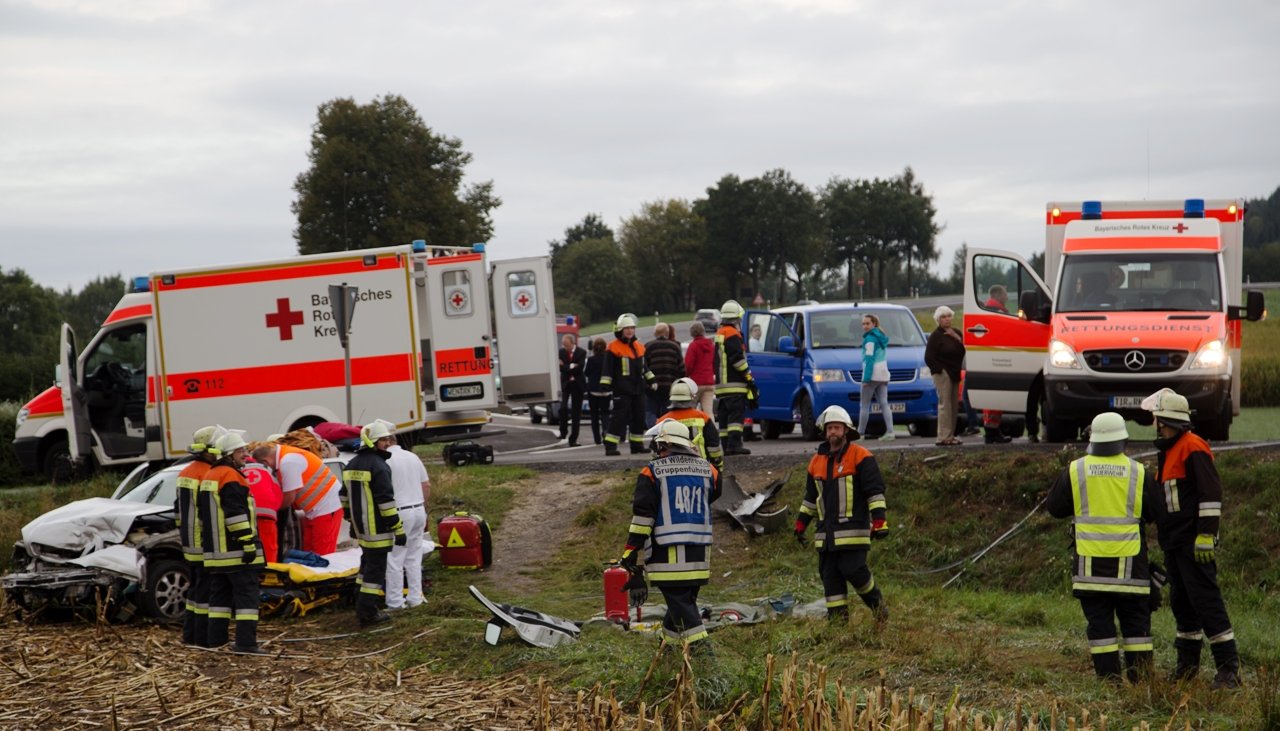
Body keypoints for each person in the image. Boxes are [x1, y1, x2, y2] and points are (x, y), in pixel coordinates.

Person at [1046, 412, 1158, 682]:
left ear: (1092, 440)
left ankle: (1109, 683)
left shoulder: (1076, 470)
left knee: (1101, 629)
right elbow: (1155, 512)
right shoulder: (1138, 472)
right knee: (1136, 628)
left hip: (1090, 571)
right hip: (1131, 571)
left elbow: (1055, 508)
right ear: (1124, 441)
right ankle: (1141, 683)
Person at [1144, 389, 1240, 688]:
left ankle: (1228, 669)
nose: (1155, 425)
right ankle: (1187, 667)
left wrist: (1206, 535)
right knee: (1182, 603)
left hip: (1191, 543)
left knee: (1205, 601)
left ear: (1168, 420)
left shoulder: (1192, 447)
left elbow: (1210, 494)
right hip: (1174, 543)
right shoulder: (1169, 450)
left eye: (1158, 420)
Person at [618, 420, 722, 652]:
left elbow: (643, 519)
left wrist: (630, 553)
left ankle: (706, 658)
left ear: (664, 444)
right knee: (681, 606)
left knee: (682, 608)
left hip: (667, 558)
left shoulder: (652, 472)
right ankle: (668, 656)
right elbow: (712, 496)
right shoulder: (710, 470)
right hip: (699, 556)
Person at [794, 405, 890, 622]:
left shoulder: (861, 456)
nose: (832, 433)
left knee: (854, 570)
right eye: (829, 428)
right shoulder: (816, 461)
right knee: (830, 578)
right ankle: (838, 623)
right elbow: (811, 498)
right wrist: (801, 524)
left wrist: (880, 521)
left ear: (846, 430)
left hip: (852, 532)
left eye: (836, 428)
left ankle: (877, 605)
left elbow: (874, 492)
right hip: (825, 537)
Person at [198, 430, 266, 653]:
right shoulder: (231, 477)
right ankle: (246, 643)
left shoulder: (209, 476)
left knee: (219, 599)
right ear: (229, 454)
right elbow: (236, 515)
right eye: (241, 451)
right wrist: (248, 543)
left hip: (216, 554)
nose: (245, 455)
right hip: (236, 552)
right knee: (247, 597)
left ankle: (216, 641)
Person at [342, 420, 406, 626]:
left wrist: (351, 519)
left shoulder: (352, 464)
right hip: (378, 529)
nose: (388, 443)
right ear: (373, 442)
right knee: (375, 571)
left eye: (388, 439)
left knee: (366, 565)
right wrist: (398, 529)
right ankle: (368, 614)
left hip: (361, 530)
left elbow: (343, 496)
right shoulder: (379, 466)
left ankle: (360, 603)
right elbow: (386, 502)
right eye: (384, 440)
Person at [249, 439, 344, 555]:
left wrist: (271, 512)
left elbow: (289, 498)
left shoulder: (288, 462)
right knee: (309, 552)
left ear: (265, 461)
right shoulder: (287, 455)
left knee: (323, 554)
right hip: (316, 510)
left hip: (325, 510)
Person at [175, 424, 223, 647]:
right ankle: (204, 639)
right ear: (209, 450)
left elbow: (179, 508)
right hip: (204, 540)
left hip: (188, 540)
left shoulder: (186, 471)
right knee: (205, 592)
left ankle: (190, 635)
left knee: (195, 591)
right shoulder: (206, 474)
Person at [384, 426, 431, 611]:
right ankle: (415, 597)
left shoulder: (386, 460)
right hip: (418, 509)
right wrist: (422, 505)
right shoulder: (412, 457)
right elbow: (426, 485)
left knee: (395, 558)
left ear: (386, 441)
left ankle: (395, 602)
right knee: (413, 555)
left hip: (399, 511)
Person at [601, 313, 656, 456]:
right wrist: (605, 385)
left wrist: (652, 380)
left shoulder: (639, 346)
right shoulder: (613, 347)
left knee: (638, 417)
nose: (630, 331)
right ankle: (610, 446)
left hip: (638, 388)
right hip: (621, 389)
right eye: (627, 328)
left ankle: (637, 445)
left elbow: (644, 368)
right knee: (619, 418)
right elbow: (607, 368)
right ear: (620, 330)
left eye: (632, 328)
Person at [713, 300, 757, 455]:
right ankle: (735, 445)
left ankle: (726, 446)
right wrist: (749, 378)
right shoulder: (732, 334)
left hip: (721, 386)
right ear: (737, 318)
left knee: (724, 418)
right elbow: (738, 360)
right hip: (735, 384)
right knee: (736, 417)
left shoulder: (720, 333)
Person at [658, 377, 723, 471]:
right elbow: (713, 447)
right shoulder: (703, 418)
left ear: (671, 398)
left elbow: (656, 451)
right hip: (700, 469)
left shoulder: (662, 421)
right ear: (691, 397)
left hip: (671, 472)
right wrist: (718, 467)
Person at [924, 306, 965, 446]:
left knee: (954, 404)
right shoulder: (936, 336)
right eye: (943, 317)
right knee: (945, 404)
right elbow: (928, 357)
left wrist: (957, 338)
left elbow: (963, 350)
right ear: (938, 320)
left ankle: (951, 435)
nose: (947, 319)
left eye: (948, 316)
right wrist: (939, 370)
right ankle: (943, 436)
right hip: (943, 373)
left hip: (955, 371)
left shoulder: (956, 333)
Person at [242, 444, 284, 564]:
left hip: (246, 518)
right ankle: (270, 576)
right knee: (269, 549)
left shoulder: (238, 470)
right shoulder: (267, 471)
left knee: (250, 549)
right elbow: (278, 496)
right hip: (266, 517)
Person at [857, 313, 894, 441]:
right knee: (884, 403)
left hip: (872, 375)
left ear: (874, 324)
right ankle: (890, 432)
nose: (865, 326)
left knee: (865, 405)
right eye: (863, 324)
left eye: (867, 323)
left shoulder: (870, 339)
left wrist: (866, 379)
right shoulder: (881, 337)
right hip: (883, 374)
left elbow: (869, 359)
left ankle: (860, 433)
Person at [644, 322, 685, 426]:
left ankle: (653, 432)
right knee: (667, 412)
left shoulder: (648, 346)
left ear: (655, 333)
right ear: (667, 333)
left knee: (650, 411)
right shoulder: (675, 346)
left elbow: (644, 367)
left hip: (653, 386)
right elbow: (681, 368)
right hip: (670, 385)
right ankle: (665, 431)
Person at [557, 334, 587, 446]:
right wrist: (571, 366)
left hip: (577, 384)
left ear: (573, 343)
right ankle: (563, 431)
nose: (566, 348)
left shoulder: (581, 352)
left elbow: (580, 368)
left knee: (576, 413)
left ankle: (573, 439)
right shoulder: (561, 352)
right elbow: (560, 368)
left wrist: (567, 367)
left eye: (568, 346)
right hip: (566, 384)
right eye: (564, 346)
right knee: (563, 408)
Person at [685, 322, 716, 415]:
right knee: (708, 412)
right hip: (709, 382)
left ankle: (693, 429)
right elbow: (715, 362)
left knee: (691, 410)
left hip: (696, 383)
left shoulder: (693, 346)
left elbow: (688, 365)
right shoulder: (711, 345)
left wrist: (686, 376)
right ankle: (711, 428)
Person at [584, 337, 611, 445]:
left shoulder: (591, 360)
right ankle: (605, 432)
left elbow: (586, 373)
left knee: (594, 415)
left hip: (593, 390)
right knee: (605, 413)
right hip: (606, 390)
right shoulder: (608, 359)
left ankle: (596, 438)